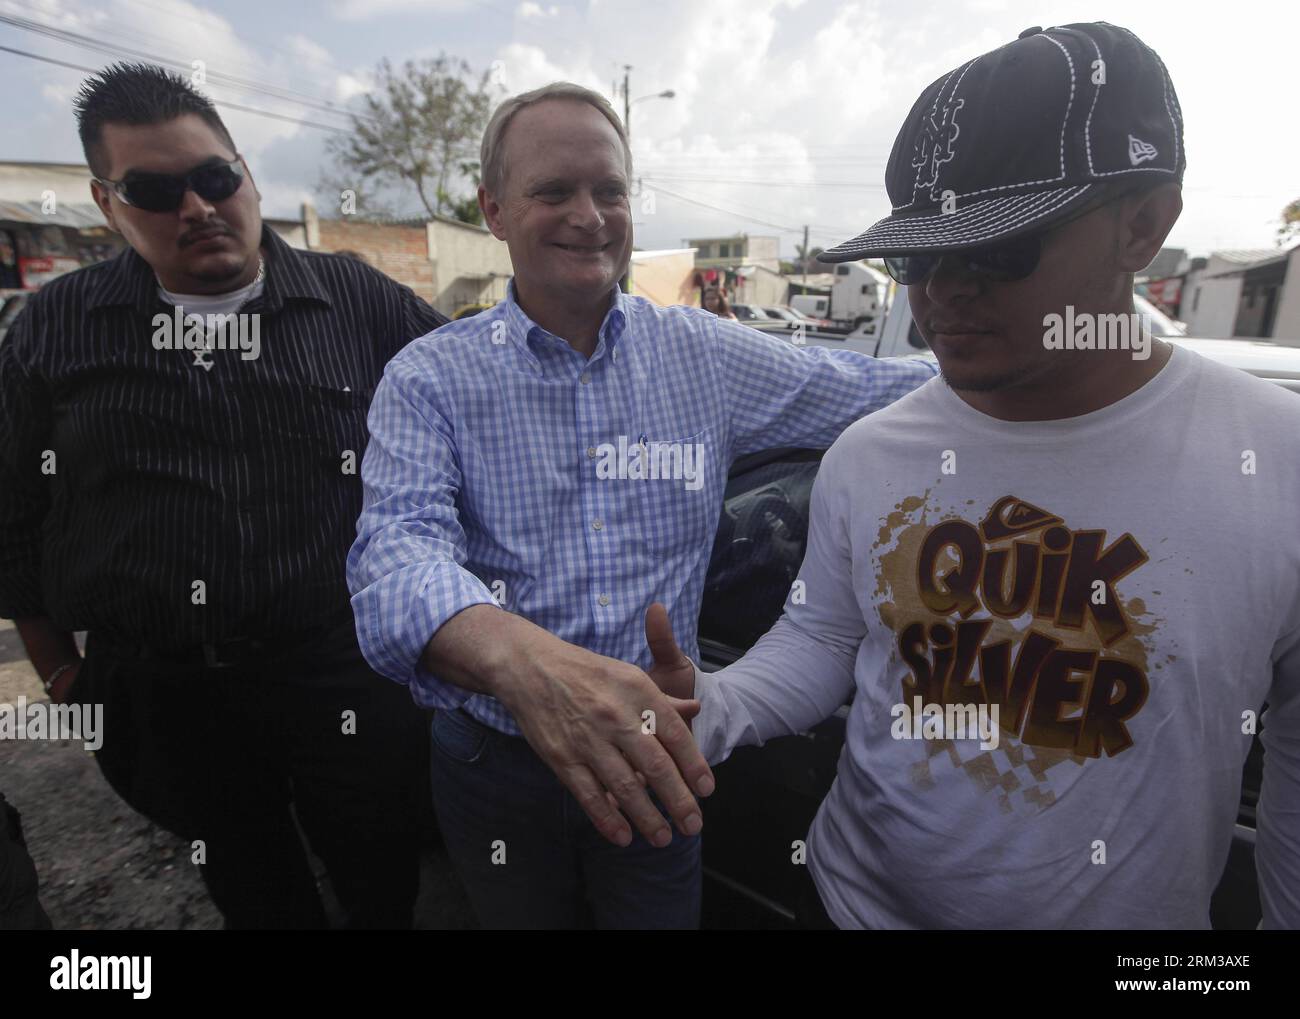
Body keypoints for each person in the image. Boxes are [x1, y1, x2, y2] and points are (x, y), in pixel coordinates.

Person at [644, 22, 1300, 929]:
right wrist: (713, 704)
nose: (942, 290)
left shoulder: (1278, 460)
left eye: (998, 248)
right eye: (915, 254)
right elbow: (825, 642)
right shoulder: (871, 453)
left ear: (1142, 224)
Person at [346, 81, 937, 929]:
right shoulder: (430, 378)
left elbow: (874, 391)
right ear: (494, 209)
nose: (589, 215)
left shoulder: (704, 355)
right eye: (554, 191)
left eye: (610, 190)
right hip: (493, 763)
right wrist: (525, 665)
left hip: (662, 744)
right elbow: (393, 562)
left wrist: (1059, 359)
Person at [0, 63, 448, 929]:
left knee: (380, 872)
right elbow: (12, 513)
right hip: (166, 694)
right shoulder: (58, 327)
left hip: (339, 673)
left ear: (246, 173)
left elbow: (479, 402)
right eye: (155, 190)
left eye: (214, 178)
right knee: (250, 886)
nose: (197, 207)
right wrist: (63, 673)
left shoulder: (355, 299)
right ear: (107, 203)